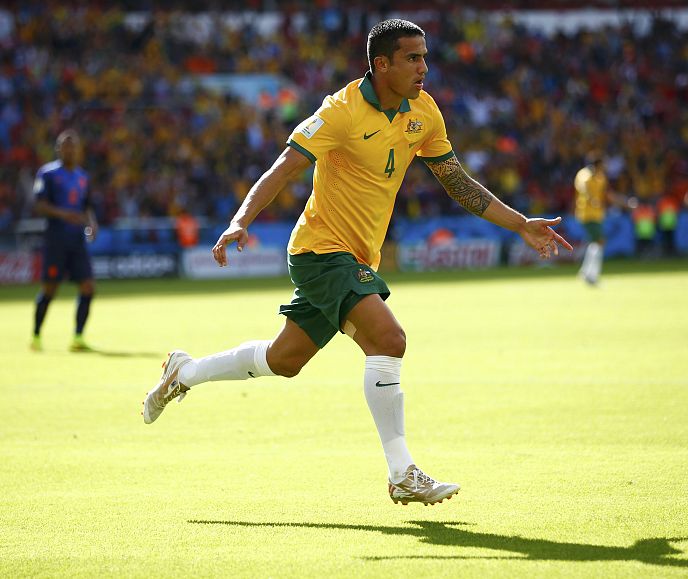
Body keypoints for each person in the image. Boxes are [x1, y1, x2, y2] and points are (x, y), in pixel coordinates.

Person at [142, 19, 572, 506]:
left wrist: (519, 224)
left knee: (284, 361)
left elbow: (457, 182)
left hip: (354, 256)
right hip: (320, 250)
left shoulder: (424, 113)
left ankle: (185, 372)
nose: (423, 68)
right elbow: (284, 166)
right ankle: (402, 473)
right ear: (381, 63)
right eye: (412, 58)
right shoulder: (340, 111)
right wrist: (240, 220)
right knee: (389, 339)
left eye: (425, 57)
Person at [31, 130, 98, 352]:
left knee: (88, 287)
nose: (69, 149)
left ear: (78, 150)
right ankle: (36, 334)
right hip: (56, 240)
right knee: (49, 290)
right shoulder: (47, 174)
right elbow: (39, 205)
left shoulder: (83, 177)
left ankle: (78, 337)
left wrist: (92, 223)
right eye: (65, 145)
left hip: (76, 241)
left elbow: (87, 206)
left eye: (73, 145)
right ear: (58, 148)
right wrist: (65, 214)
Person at [574, 153, 610, 285]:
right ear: (597, 165)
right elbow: (584, 189)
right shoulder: (584, 175)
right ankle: (592, 276)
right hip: (587, 214)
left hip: (597, 214)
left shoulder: (601, 178)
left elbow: (605, 194)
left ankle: (586, 272)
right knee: (599, 241)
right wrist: (591, 199)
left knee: (594, 243)